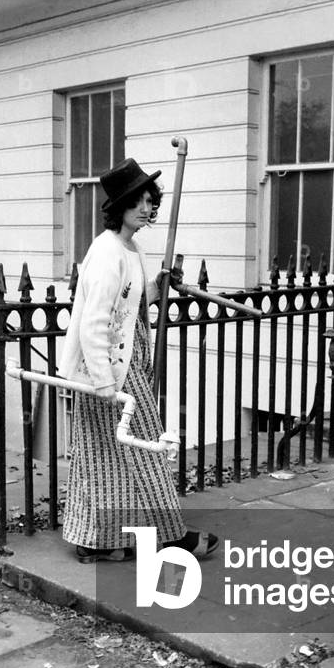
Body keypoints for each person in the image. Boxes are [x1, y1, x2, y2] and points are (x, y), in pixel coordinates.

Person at [59, 157, 218, 563]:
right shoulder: (106, 251)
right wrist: (104, 382)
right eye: (139, 201)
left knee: (107, 457)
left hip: (126, 365)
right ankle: (173, 536)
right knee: (148, 448)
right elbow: (93, 323)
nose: (147, 208)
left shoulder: (131, 248)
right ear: (121, 205)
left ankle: (100, 542)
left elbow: (128, 302)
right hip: (110, 372)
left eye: (151, 201)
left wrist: (155, 285)